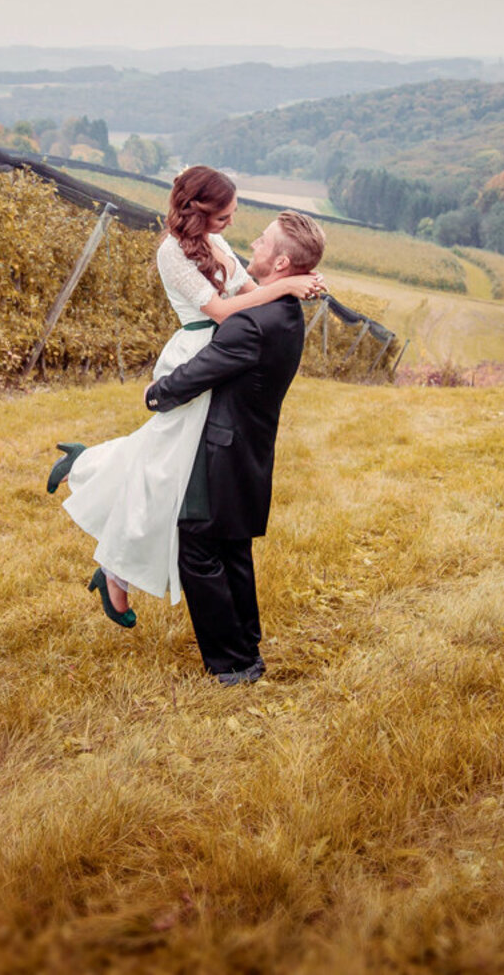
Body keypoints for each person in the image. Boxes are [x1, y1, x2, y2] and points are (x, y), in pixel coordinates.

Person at [48, 166, 323, 627]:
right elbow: (220, 310)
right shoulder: (171, 253)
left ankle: (112, 559)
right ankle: (96, 503)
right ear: (200, 211)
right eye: (225, 216)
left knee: (167, 467)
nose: (232, 225)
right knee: (165, 468)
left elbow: (251, 292)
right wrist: (285, 285)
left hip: (221, 351)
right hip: (196, 354)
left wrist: (288, 285)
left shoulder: (215, 244)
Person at [144, 209, 326, 684]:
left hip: (221, 450)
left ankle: (231, 663)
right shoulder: (284, 313)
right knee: (232, 547)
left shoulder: (252, 324)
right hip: (251, 448)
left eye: (264, 242)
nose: (255, 246)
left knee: (199, 548)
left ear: (283, 263)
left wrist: (156, 393)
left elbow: (200, 372)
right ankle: (247, 647)